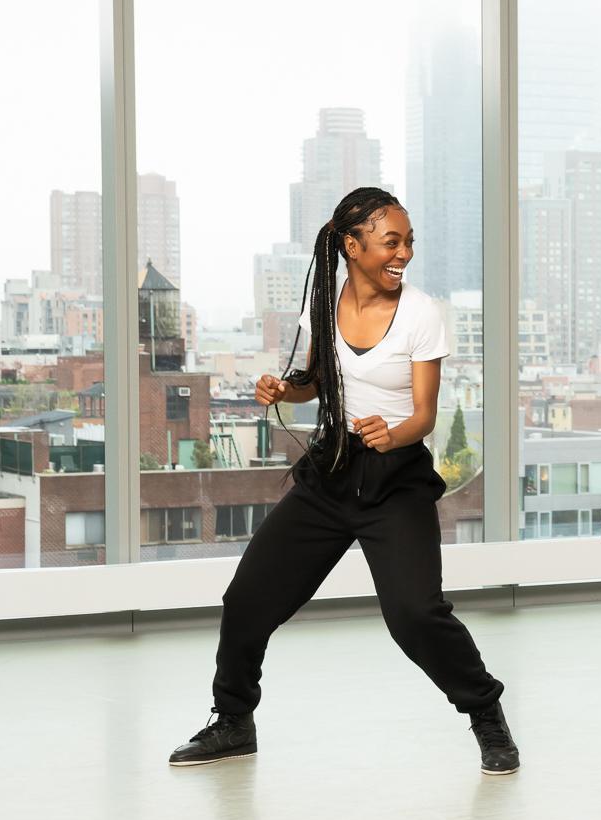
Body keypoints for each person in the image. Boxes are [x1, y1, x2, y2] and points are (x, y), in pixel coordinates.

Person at [169, 187, 519, 775]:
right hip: (331, 472)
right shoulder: (322, 307)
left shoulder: (420, 314)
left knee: (415, 615)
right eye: (391, 241)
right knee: (248, 599)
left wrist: (395, 433)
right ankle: (233, 723)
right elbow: (317, 380)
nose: (404, 252)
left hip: (396, 478)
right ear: (351, 246)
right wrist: (285, 390)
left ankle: (485, 711)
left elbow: (426, 416)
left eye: (409, 242)